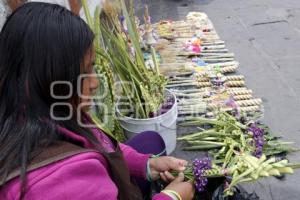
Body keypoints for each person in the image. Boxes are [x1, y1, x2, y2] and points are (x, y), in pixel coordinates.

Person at [0, 3, 195, 200]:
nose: (94, 83)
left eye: (92, 67)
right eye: (84, 72)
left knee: (150, 140)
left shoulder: (38, 110)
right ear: (48, 80)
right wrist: (172, 196)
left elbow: (99, 143)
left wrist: (147, 165)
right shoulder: (60, 186)